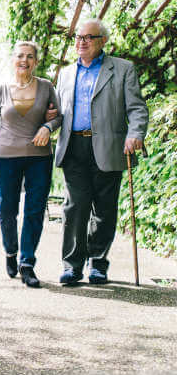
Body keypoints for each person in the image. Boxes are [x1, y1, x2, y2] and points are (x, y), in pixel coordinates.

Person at [53, 19, 148, 285]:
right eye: (78, 37)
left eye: (88, 37)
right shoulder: (66, 74)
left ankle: (98, 264)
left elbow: (137, 108)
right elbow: (58, 112)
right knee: (75, 207)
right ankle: (72, 266)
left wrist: (135, 134)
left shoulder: (122, 69)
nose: (81, 42)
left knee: (104, 210)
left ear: (102, 40)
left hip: (109, 145)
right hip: (74, 146)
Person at [0, 41, 62, 288]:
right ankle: (11, 252)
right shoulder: (1, 90)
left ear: (36, 61)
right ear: (13, 60)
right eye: (20, 56)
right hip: (6, 157)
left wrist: (48, 127)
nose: (24, 60)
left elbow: (58, 116)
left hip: (39, 157)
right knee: (7, 210)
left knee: (34, 211)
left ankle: (27, 264)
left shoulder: (46, 87)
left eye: (29, 56)